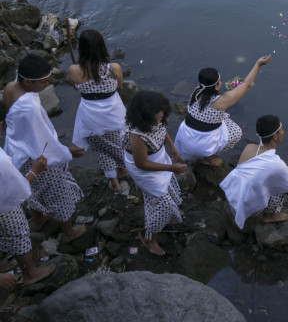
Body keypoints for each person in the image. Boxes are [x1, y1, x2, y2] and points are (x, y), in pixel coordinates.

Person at [2, 55, 86, 243]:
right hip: (36, 157)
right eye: (43, 82)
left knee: (33, 190)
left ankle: (39, 219)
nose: (46, 85)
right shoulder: (30, 107)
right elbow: (43, 140)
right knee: (58, 192)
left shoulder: (9, 88)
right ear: (27, 81)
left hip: (16, 148)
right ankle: (68, 232)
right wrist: (66, 151)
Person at [174, 54, 271, 166]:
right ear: (216, 86)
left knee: (222, 117)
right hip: (200, 147)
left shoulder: (196, 91)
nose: (221, 82)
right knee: (236, 132)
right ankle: (207, 157)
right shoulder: (221, 102)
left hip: (185, 139)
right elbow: (247, 84)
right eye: (220, 81)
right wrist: (258, 64)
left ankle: (204, 153)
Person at [122, 91, 187, 256]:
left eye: (161, 117)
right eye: (155, 120)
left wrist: (171, 144)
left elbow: (162, 129)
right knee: (159, 205)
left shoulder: (156, 119)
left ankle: (167, 219)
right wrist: (171, 168)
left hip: (158, 158)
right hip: (145, 169)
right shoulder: (137, 135)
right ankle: (150, 239)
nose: (159, 121)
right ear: (144, 119)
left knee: (166, 190)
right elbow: (141, 163)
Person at [0, 101, 56, 290]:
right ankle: (30, 273)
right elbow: (15, 189)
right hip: (4, 207)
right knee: (18, 233)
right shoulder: (2, 163)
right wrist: (34, 171)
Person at [69, 29, 127, 193]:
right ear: (102, 46)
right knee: (119, 146)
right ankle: (125, 168)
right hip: (113, 116)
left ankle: (114, 181)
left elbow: (75, 87)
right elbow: (120, 85)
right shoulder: (114, 68)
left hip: (89, 118)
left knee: (100, 149)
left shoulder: (74, 70)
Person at [220, 115, 288, 228]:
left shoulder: (249, 147)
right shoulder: (278, 164)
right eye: (281, 130)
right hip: (249, 207)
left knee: (269, 179)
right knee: (279, 184)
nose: (283, 132)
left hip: (233, 195)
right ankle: (269, 216)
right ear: (275, 136)